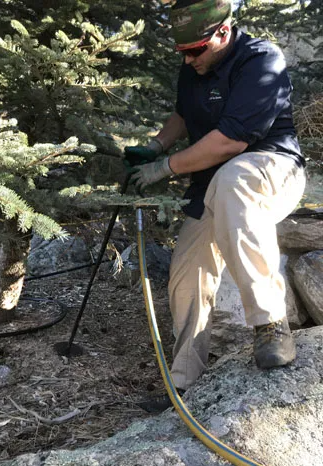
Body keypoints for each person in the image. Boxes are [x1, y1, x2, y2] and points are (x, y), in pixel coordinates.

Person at [125, 0, 306, 413]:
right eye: (182, 53)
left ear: (223, 33)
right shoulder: (195, 64)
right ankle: (185, 384)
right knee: (186, 277)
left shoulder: (262, 60)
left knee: (234, 177)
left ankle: (270, 324)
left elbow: (231, 142)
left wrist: (164, 167)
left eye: (196, 50)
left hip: (271, 167)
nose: (189, 60)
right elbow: (183, 115)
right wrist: (155, 145)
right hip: (213, 183)